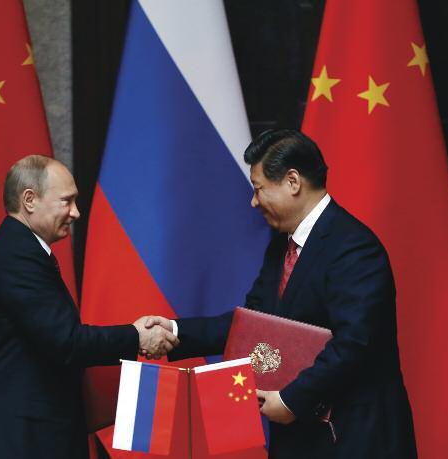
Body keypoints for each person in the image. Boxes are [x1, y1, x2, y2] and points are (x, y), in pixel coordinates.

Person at [144, 130, 417, 458]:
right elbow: (252, 326)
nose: (253, 201)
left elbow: (354, 343)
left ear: (292, 182)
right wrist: (174, 331)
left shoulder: (354, 247)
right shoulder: (281, 247)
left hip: (354, 437)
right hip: (301, 436)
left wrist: (290, 400)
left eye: (258, 188)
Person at [0, 155, 178, 458]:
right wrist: (137, 337)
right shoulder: (17, 257)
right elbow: (67, 341)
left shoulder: (20, 250)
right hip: (12, 440)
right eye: (66, 201)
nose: (76, 212)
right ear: (30, 200)